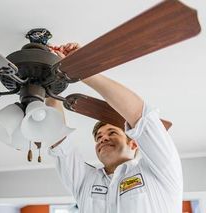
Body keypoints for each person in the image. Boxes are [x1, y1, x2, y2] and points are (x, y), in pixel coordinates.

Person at [47, 43, 183, 213]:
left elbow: (142, 117)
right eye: (98, 137)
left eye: (112, 133)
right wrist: (49, 86)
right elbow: (60, 144)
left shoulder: (160, 171)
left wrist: (83, 69)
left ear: (133, 144)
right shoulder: (86, 180)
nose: (102, 138)